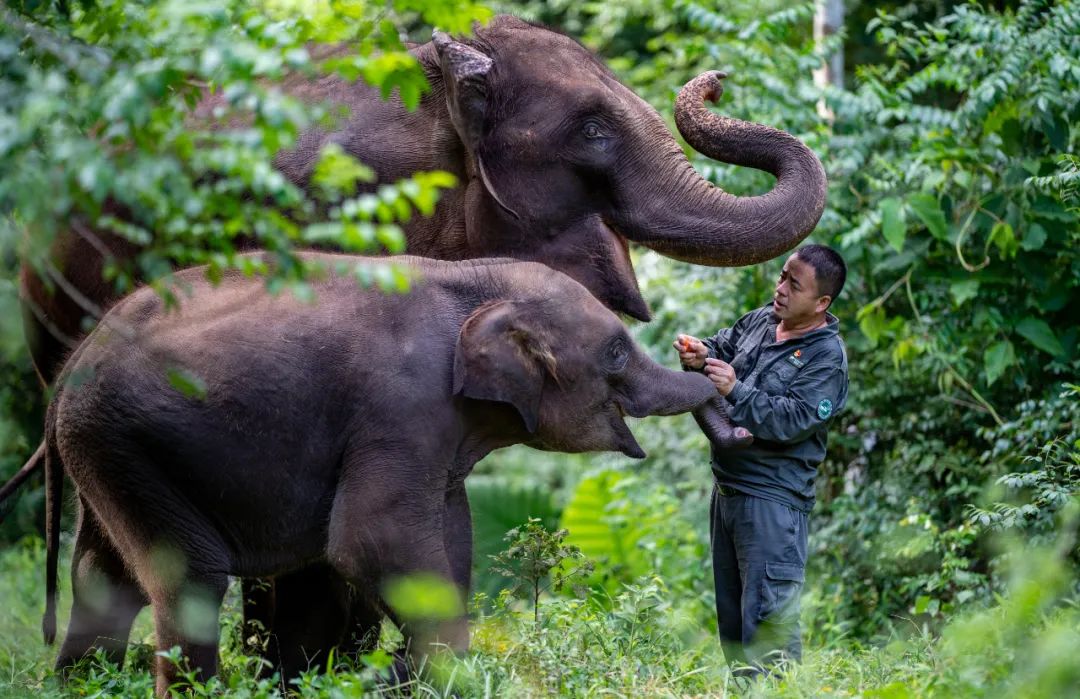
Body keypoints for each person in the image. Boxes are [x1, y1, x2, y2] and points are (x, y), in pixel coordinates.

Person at [674, 244, 849, 675]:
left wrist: (735, 389)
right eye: (782, 276)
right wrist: (701, 353)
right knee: (734, 627)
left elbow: (794, 419)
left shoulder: (827, 357)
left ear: (822, 302)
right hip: (727, 491)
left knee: (770, 630)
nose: (781, 289)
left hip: (772, 501)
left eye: (795, 285)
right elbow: (723, 345)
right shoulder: (762, 320)